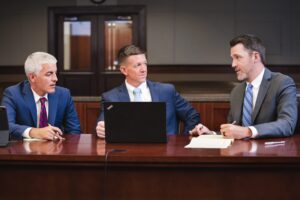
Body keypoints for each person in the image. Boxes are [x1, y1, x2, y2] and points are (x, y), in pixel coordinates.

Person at [190, 34, 297, 139]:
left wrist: (248, 131)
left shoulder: (282, 83)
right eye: (232, 58)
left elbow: (287, 124)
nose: (233, 64)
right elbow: (234, 130)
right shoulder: (236, 92)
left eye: (238, 57)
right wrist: (210, 134)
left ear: (255, 57)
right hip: (240, 153)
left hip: (271, 154)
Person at [96, 45, 200, 138]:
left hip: (166, 152)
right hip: (128, 153)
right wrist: (101, 128)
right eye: (137, 65)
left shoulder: (167, 91)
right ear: (124, 70)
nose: (143, 69)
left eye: (145, 64)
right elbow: (102, 124)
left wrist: (182, 140)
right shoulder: (111, 97)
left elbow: (192, 116)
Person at [1, 52, 81, 140]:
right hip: (24, 151)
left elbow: (74, 131)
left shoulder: (64, 94)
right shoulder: (13, 94)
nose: (55, 79)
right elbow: (6, 127)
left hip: (55, 150)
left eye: (55, 73)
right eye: (49, 74)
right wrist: (34, 132)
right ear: (32, 77)